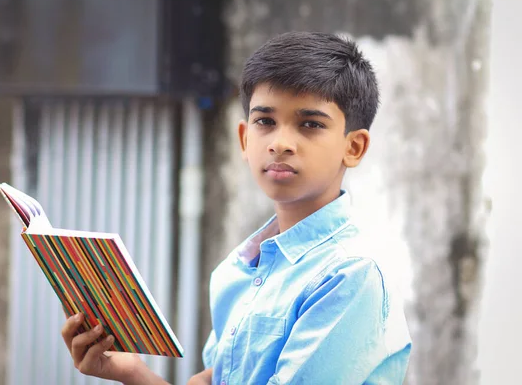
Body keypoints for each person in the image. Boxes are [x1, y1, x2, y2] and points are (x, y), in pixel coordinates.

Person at [61, 31, 412, 384]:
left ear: (354, 147)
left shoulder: (349, 274)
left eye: (310, 124)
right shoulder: (239, 269)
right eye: (265, 122)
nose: (281, 143)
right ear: (245, 139)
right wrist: (128, 372)